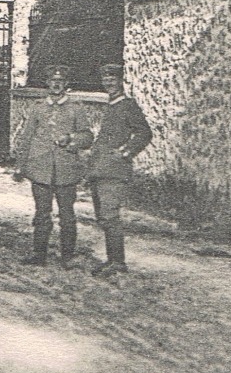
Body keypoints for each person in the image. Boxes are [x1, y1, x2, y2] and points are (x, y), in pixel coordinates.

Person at [10, 65, 94, 267]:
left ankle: (67, 256)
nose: (56, 85)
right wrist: (20, 166)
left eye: (61, 82)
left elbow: (87, 137)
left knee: (67, 215)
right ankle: (39, 255)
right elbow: (26, 137)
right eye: (53, 81)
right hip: (40, 169)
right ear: (47, 83)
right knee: (41, 214)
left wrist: (71, 138)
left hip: (66, 169)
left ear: (66, 84)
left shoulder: (76, 109)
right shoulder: (38, 107)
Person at [83, 63, 153, 278]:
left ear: (121, 81)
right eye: (106, 81)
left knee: (110, 217)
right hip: (100, 170)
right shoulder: (111, 105)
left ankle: (118, 262)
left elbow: (144, 133)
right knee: (103, 217)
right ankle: (112, 260)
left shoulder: (128, 105)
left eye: (113, 80)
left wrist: (125, 152)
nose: (109, 84)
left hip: (114, 172)